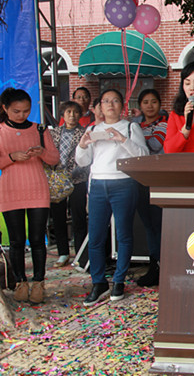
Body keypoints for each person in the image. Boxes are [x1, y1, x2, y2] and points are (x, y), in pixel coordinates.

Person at [76, 89, 149, 306]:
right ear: (99, 106)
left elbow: (143, 156)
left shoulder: (130, 127)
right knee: (96, 237)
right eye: (106, 101)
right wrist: (83, 145)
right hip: (98, 185)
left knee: (123, 234)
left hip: (123, 183)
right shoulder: (92, 129)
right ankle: (98, 282)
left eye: (115, 101)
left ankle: (119, 280)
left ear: (122, 105)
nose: (110, 105)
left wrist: (122, 139)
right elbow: (82, 161)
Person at [0, 88, 60, 303]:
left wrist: (42, 152)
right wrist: (11, 157)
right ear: (5, 108)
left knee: (37, 239)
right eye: (16, 111)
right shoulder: (1, 130)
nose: (22, 115)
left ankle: (38, 283)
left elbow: (54, 159)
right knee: (16, 240)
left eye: (26, 110)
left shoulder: (40, 129)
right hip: (10, 190)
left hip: (37, 188)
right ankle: (20, 282)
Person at [133, 88, 168, 287]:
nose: (150, 106)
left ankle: (164, 265)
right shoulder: (135, 125)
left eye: (154, 101)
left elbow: (155, 144)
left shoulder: (164, 123)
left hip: (159, 180)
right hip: (140, 181)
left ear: (159, 104)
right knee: (148, 226)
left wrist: (135, 137)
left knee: (160, 225)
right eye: (145, 102)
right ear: (140, 106)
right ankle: (154, 265)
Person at [49, 101, 89, 269]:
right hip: (58, 182)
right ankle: (63, 253)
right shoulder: (53, 133)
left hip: (77, 180)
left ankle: (80, 254)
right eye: (68, 112)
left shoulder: (85, 133)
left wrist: (71, 174)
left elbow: (87, 158)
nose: (72, 115)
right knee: (58, 217)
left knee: (78, 217)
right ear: (62, 115)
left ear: (80, 115)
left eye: (75, 112)